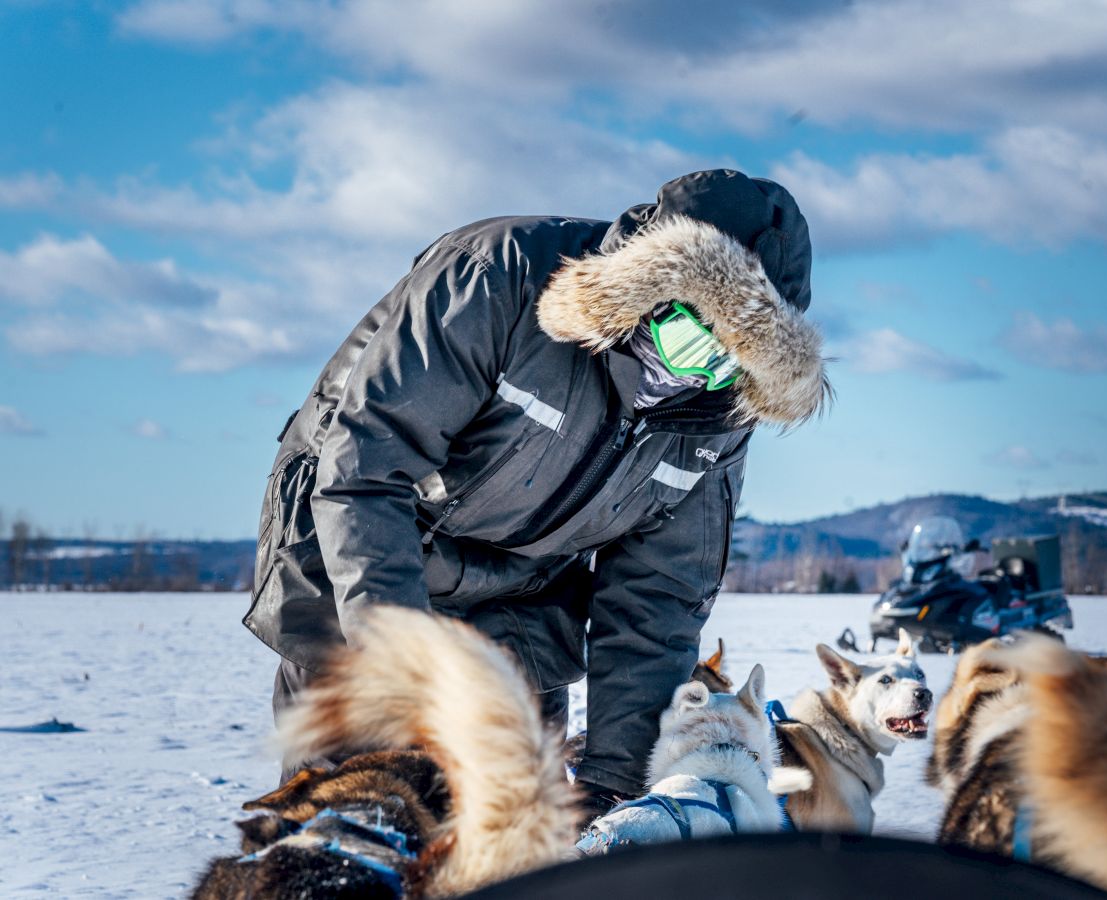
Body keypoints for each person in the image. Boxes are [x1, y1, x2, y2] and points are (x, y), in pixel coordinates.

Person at [244, 168, 829, 817]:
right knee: (365, 801)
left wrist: (615, 778)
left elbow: (658, 599)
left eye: (730, 361)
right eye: (691, 340)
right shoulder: (497, 278)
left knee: (519, 812)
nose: (693, 376)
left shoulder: (719, 417)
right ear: (648, 289)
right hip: (366, 542)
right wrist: (409, 685)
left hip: (523, 584)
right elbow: (366, 471)